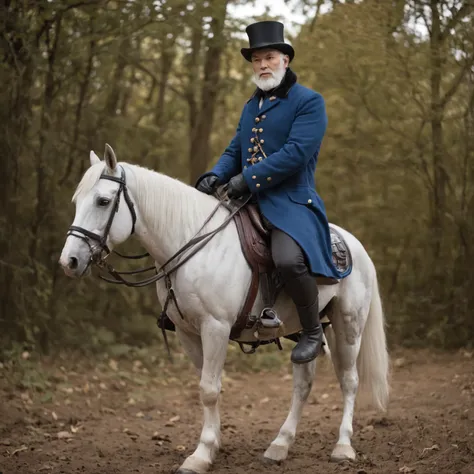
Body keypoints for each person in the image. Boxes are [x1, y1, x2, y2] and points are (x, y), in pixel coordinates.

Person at [195, 20, 343, 364]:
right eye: (257, 59)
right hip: (247, 200)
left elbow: (295, 153)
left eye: (270, 57)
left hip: (292, 202)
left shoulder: (309, 102)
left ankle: (310, 332)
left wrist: (246, 179)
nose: (262, 65)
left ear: (285, 60)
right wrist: (215, 176)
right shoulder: (252, 106)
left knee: (288, 259)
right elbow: (236, 150)